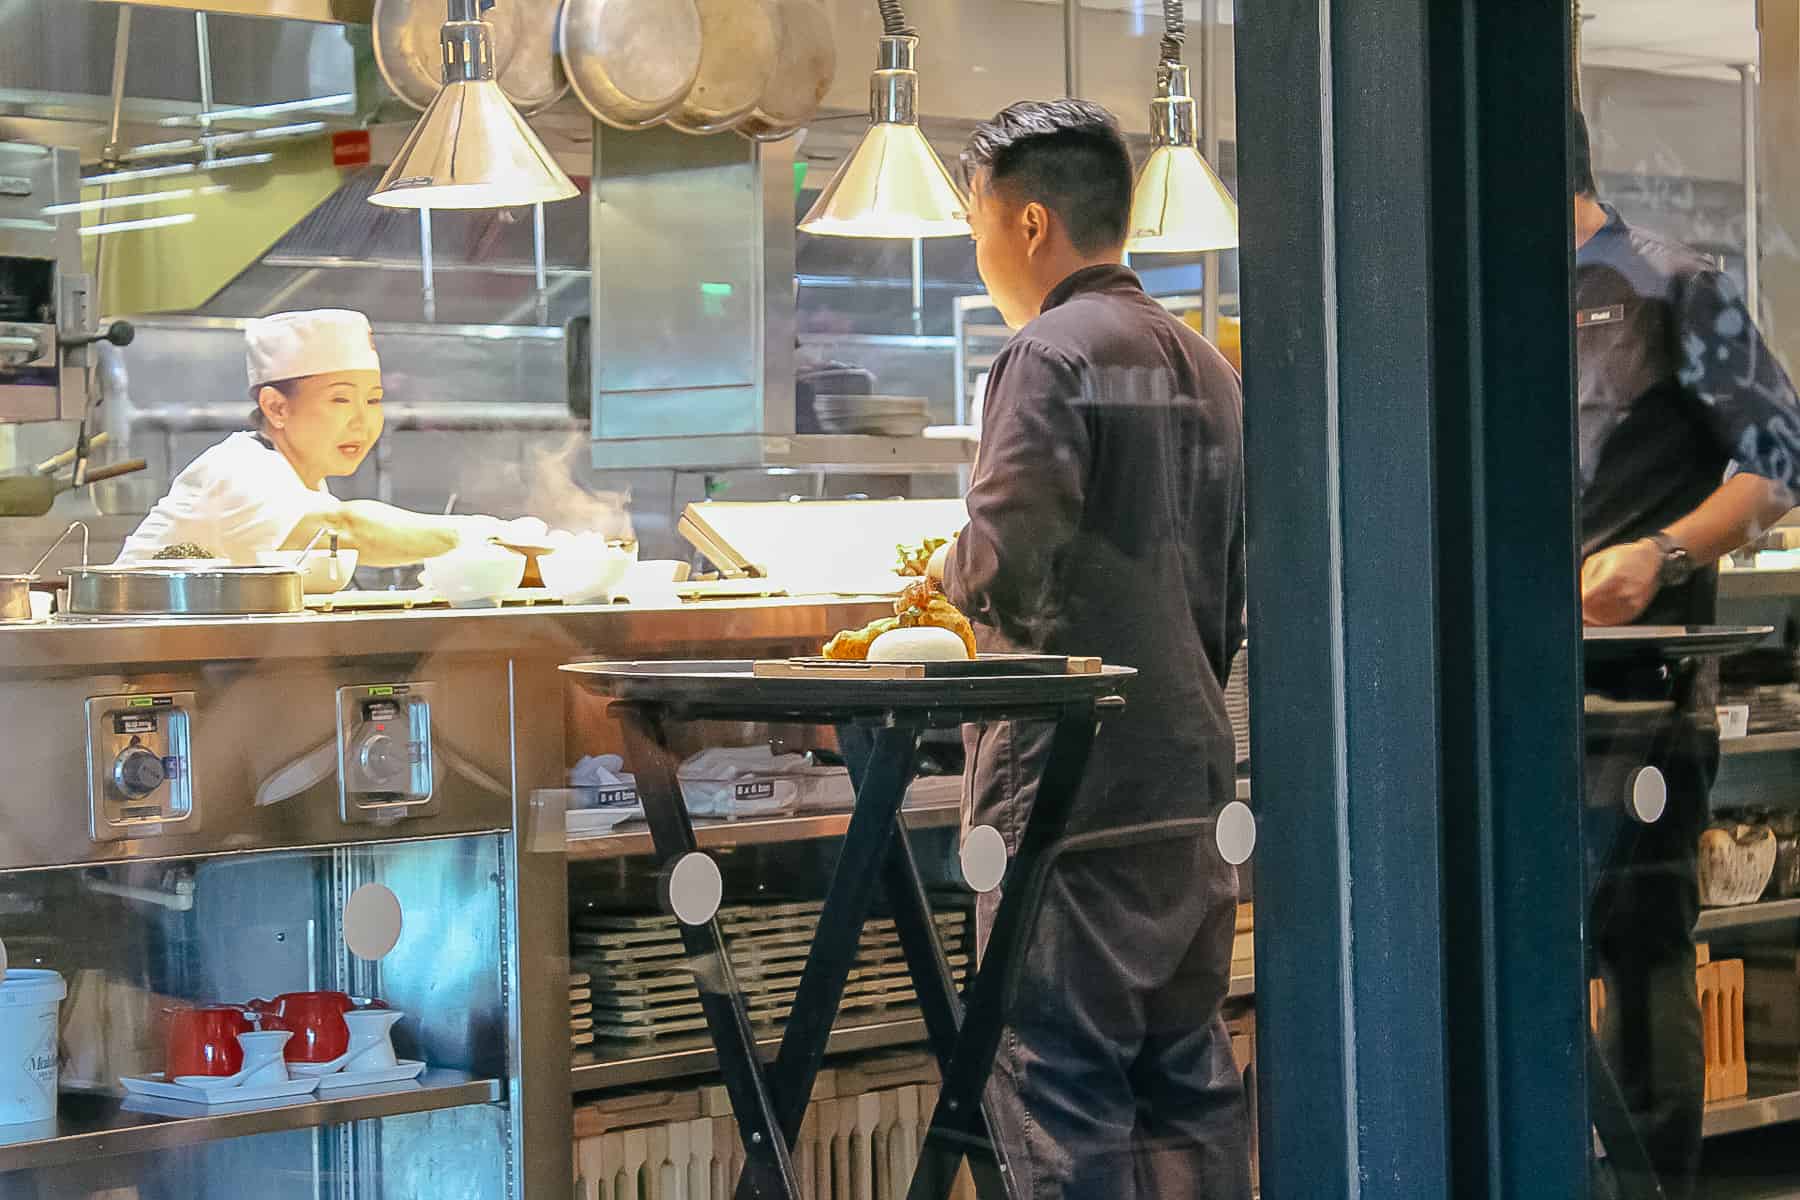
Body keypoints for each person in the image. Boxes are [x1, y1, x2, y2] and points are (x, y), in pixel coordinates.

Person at [927, 99, 1251, 1198]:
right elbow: (1234, 584)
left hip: (1063, 799)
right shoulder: (1209, 367)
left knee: (1058, 1091)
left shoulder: (1045, 354)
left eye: (975, 224)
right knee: (1186, 1086)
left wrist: (945, 567)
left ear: (1027, 226)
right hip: (1189, 778)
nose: (978, 253)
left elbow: (1008, 566)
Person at [1572, 110, 1799, 1200]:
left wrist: (1660, 554)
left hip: (1644, 700)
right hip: (1510, 697)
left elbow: (1780, 459)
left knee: (1644, 954)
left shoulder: (1675, 286)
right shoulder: (1484, 307)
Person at [116, 309, 463, 566]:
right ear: (276, 408)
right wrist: (482, 534)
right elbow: (344, 528)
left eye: (373, 400)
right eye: (340, 399)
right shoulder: (242, 467)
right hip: (131, 657)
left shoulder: (301, 482)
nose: (363, 421)